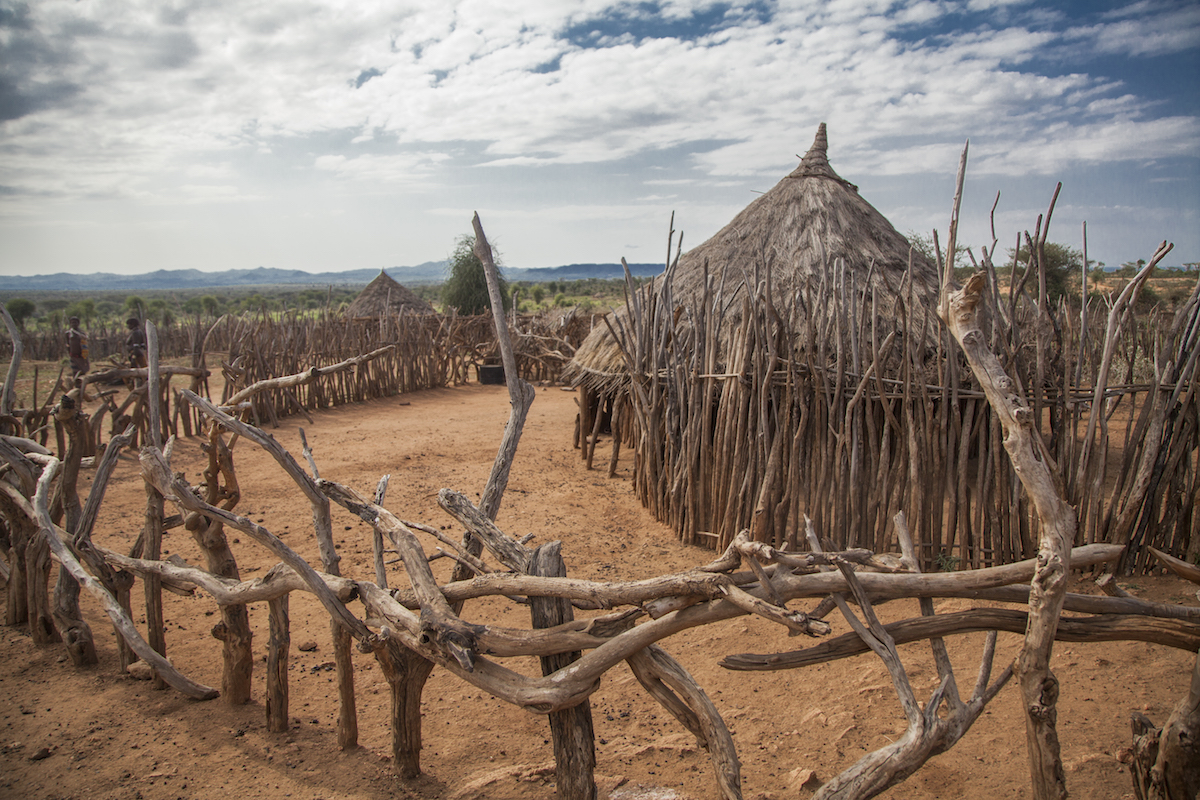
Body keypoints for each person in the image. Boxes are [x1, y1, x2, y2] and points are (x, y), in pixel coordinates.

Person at [66, 315, 89, 384]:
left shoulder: (81, 334)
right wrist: (70, 354)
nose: (73, 324)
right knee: (74, 372)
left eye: (75, 322)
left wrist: (85, 358)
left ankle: (82, 387)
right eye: (72, 322)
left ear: (78, 323)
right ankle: (76, 386)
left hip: (81, 356)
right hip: (73, 356)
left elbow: (85, 346)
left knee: (82, 372)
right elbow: (67, 345)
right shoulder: (68, 333)